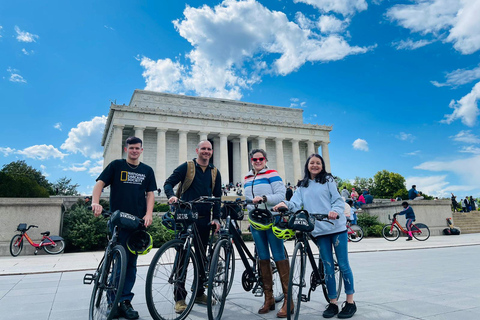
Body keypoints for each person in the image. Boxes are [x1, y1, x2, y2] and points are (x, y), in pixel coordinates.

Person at [273, 154, 357, 319]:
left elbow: (338, 201)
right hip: (319, 230)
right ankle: (333, 303)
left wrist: (335, 211)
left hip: (336, 227)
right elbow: (296, 202)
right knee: (327, 267)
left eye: (318, 163)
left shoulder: (328, 180)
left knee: (343, 265)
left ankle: (350, 302)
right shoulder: (302, 185)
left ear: (322, 165)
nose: (315, 165)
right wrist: (285, 204)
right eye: (312, 163)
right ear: (307, 165)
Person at [91, 136, 157, 320]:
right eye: (131, 148)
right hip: (118, 219)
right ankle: (113, 302)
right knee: (120, 264)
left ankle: (125, 300)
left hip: (137, 222)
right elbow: (100, 184)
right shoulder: (116, 165)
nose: (135, 151)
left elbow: (150, 194)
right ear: (126, 149)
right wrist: (95, 203)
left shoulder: (147, 170)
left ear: (141, 150)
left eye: (137, 148)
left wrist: (149, 213)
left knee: (131, 265)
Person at [163, 140, 222, 313]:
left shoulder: (214, 172)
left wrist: (217, 218)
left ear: (212, 152)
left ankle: (199, 293)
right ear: (197, 150)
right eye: (203, 149)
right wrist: (172, 196)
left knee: (202, 259)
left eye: (209, 149)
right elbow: (168, 183)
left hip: (204, 219)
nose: (206, 151)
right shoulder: (187, 167)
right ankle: (179, 298)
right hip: (186, 217)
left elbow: (217, 197)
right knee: (182, 257)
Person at [244, 149, 290, 317]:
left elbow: (280, 195)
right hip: (256, 221)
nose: (257, 161)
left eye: (260, 159)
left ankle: (288, 300)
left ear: (265, 159)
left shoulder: (273, 174)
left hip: (272, 218)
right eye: (254, 159)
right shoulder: (247, 178)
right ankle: (268, 298)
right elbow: (249, 200)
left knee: (278, 255)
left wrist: (264, 198)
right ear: (251, 160)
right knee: (263, 258)